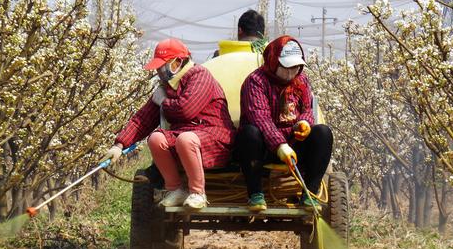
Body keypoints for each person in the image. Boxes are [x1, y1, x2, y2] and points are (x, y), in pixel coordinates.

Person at [102, 38, 236, 209]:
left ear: (178, 62)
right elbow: (143, 119)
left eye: (162, 65)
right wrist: (119, 145)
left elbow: (186, 109)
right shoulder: (167, 86)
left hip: (214, 138)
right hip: (185, 138)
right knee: (156, 138)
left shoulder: (200, 76)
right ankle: (174, 189)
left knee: (186, 139)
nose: (159, 71)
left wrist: (164, 102)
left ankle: (197, 192)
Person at [235, 36, 333, 212]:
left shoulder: (301, 80)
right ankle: (255, 193)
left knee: (323, 133)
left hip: (293, 147)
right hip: (263, 149)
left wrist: (304, 123)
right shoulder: (256, 81)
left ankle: (309, 193)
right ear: (273, 62)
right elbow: (260, 117)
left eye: (295, 67)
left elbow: (307, 108)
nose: (291, 73)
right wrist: (280, 145)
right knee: (249, 133)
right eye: (286, 67)